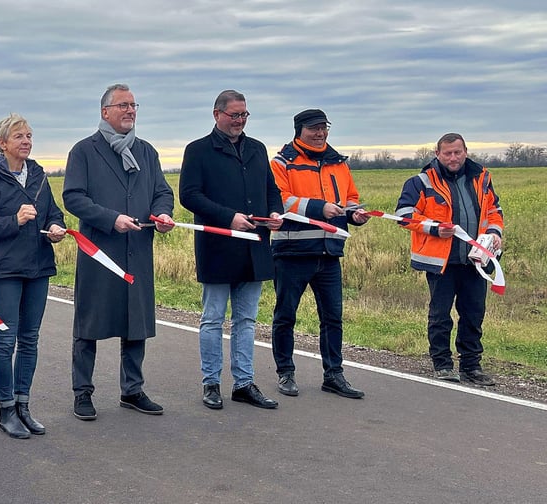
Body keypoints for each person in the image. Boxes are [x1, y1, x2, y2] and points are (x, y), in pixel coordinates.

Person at [62, 83, 176, 421]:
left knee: (135, 324)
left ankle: (132, 390)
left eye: (133, 105)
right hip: (101, 252)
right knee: (89, 324)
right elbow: (74, 198)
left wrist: (163, 214)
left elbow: (162, 192)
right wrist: (112, 220)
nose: (130, 111)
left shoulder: (146, 152)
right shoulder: (84, 151)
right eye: (123, 105)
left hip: (137, 250)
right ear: (105, 112)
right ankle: (83, 392)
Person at [178, 89, 283, 411]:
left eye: (244, 115)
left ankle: (244, 383)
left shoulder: (256, 149)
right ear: (217, 114)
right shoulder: (198, 151)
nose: (239, 121)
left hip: (255, 247)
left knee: (247, 320)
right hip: (218, 246)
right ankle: (211, 382)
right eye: (234, 115)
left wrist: (276, 213)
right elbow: (189, 195)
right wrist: (228, 218)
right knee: (212, 319)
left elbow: (270, 189)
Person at [0, 114, 67, 438]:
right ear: (3, 143)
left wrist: (54, 227)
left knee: (30, 339)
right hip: (3, 270)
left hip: (37, 266)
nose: (26, 141)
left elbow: (53, 212)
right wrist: (15, 220)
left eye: (29, 136)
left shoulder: (39, 176)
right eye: (19, 136)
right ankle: (6, 409)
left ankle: (24, 405)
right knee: (6, 339)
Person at [269, 109, 370, 399]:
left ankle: (334, 375)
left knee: (333, 317)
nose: (320, 133)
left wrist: (355, 213)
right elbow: (281, 200)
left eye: (323, 128)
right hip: (292, 252)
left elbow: (349, 198)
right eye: (313, 128)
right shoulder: (282, 163)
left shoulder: (339, 163)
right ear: (299, 130)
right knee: (286, 316)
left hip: (329, 252)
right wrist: (318, 208)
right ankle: (285, 372)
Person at [395, 133, 504, 386]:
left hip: (475, 261)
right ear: (437, 154)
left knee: (474, 313)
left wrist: (494, 232)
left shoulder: (481, 178)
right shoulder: (421, 181)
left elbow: (494, 210)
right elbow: (404, 215)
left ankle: (471, 366)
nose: (453, 158)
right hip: (440, 261)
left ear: (465, 151)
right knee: (441, 315)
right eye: (447, 153)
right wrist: (433, 228)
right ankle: (442, 364)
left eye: (457, 152)